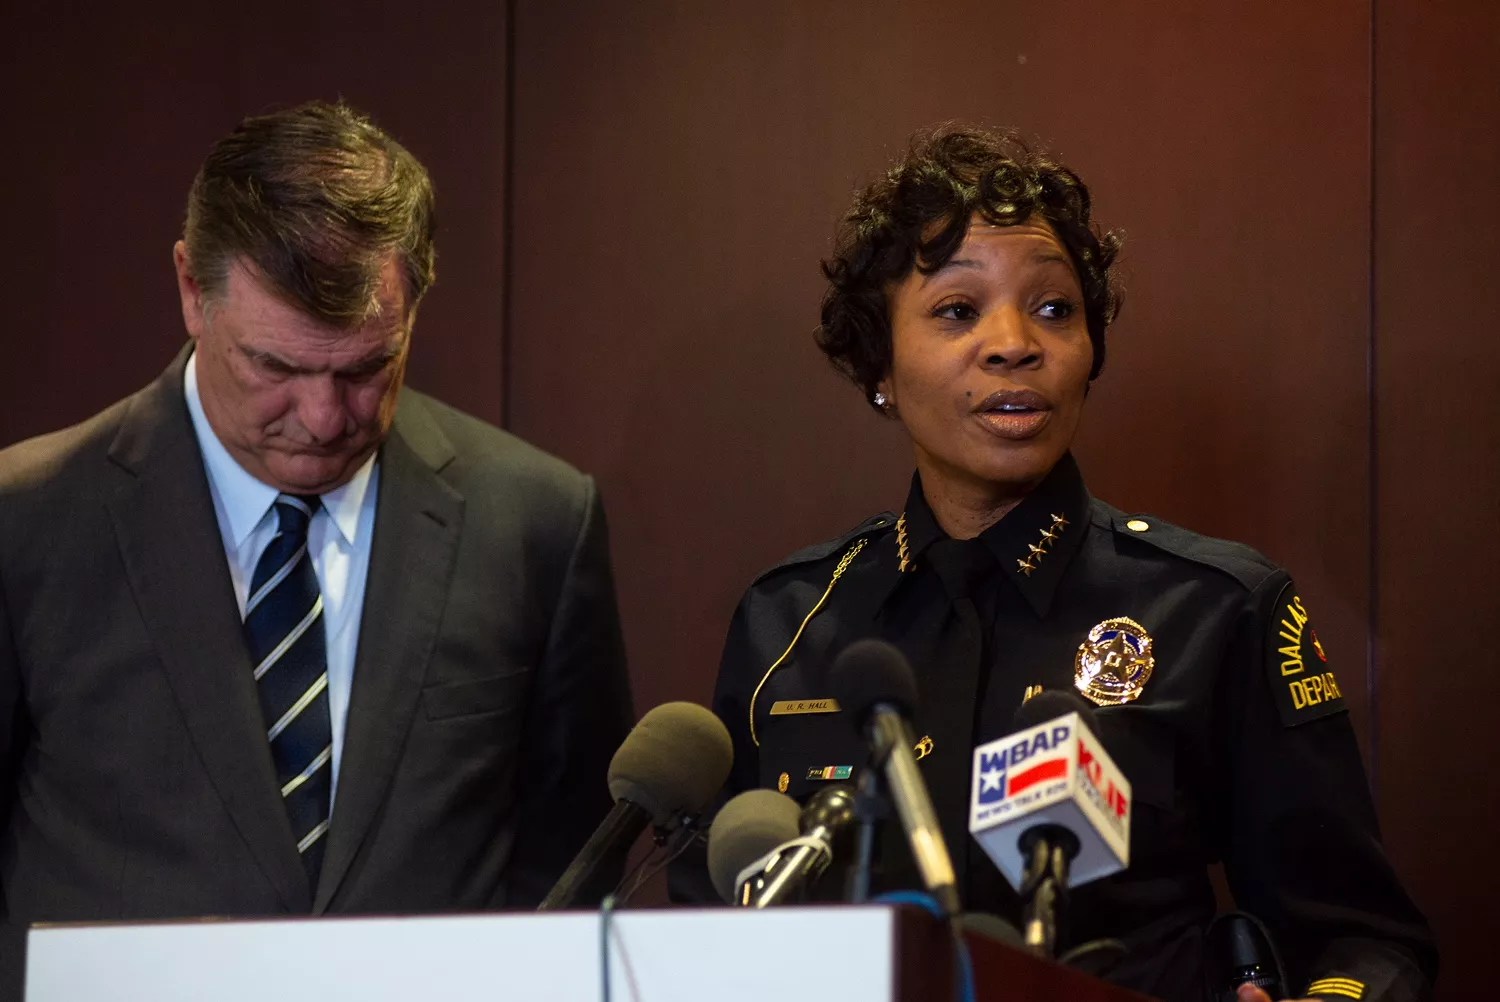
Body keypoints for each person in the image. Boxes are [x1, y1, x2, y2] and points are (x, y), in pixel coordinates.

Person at [704, 127, 1435, 1001]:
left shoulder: (1214, 608)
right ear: (879, 367)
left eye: (1054, 309)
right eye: (957, 310)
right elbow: (709, 939)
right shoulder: (790, 622)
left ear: (1091, 354)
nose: (1014, 344)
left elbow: (1364, 942)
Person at [0, 101, 632, 987]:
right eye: (276, 366)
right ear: (191, 291)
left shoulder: (536, 523)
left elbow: (576, 867)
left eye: (367, 368)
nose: (325, 418)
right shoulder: (28, 521)